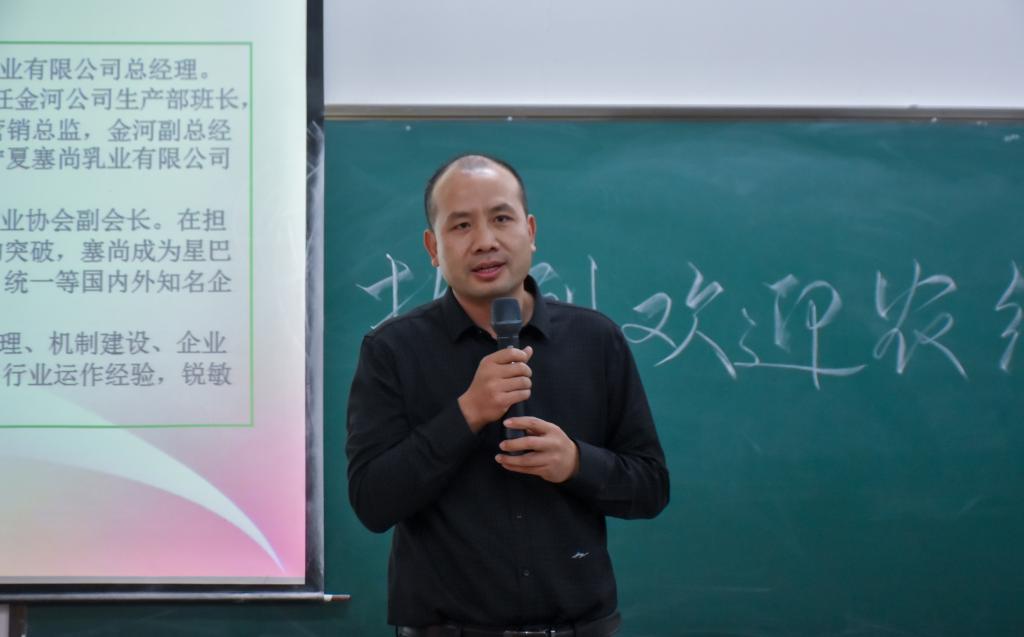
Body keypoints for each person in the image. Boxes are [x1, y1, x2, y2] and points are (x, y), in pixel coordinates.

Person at [347, 153, 670, 637]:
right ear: (433, 247)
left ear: (530, 231)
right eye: (461, 226)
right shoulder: (392, 351)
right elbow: (372, 503)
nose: (485, 241)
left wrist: (575, 462)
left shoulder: (596, 340)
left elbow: (651, 487)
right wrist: (466, 413)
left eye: (501, 218)